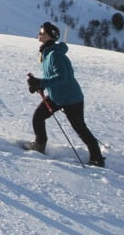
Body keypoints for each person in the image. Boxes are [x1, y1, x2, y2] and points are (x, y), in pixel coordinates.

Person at [24, 21, 104, 165]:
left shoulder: (55, 55)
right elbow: (51, 76)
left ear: (50, 36)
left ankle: (97, 158)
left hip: (72, 99)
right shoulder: (47, 53)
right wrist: (38, 85)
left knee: (80, 129)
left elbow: (63, 77)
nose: (39, 34)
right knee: (38, 117)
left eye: (42, 33)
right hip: (57, 97)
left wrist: (41, 82)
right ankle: (40, 144)